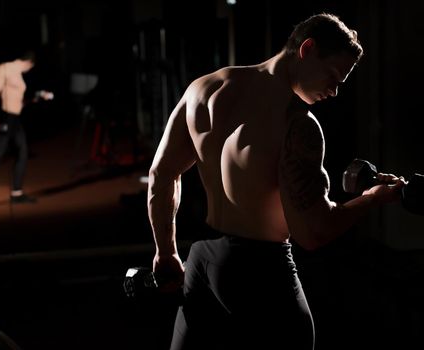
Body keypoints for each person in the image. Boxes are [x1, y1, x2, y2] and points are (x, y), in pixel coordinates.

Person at [148, 13, 406, 350]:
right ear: (307, 48)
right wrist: (373, 199)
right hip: (260, 272)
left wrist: (165, 252)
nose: (335, 90)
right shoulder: (298, 123)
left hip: (202, 261)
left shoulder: (205, 89)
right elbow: (312, 232)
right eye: (332, 76)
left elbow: (161, 175)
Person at [0, 50, 53, 212]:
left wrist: (38, 97)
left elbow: (19, 101)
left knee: (22, 151)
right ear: (29, 63)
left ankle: (16, 193)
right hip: (5, 117)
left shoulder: (19, 74)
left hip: (15, 119)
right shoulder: (4, 69)